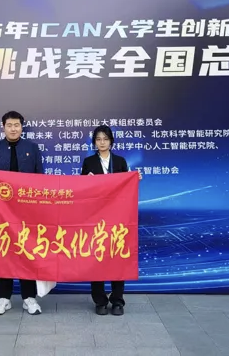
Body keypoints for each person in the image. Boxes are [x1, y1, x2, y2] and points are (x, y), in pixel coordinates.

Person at [0, 110, 44, 316]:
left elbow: (40, 178)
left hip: (27, 211)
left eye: (17, 125)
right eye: (9, 125)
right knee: (3, 251)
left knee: (27, 252)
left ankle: (29, 298)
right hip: (1, 212)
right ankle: (3, 298)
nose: (13, 129)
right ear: (3, 127)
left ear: (22, 127)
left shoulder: (32, 148)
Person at [81, 124, 141, 316]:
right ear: (94, 142)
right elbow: (82, 190)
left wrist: (135, 179)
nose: (102, 142)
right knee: (96, 257)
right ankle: (100, 301)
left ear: (111, 141)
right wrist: (86, 181)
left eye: (105, 139)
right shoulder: (89, 162)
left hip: (118, 218)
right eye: (98, 139)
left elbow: (127, 187)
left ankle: (117, 301)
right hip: (96, 218)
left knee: (117, 258)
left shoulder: (120, 161)